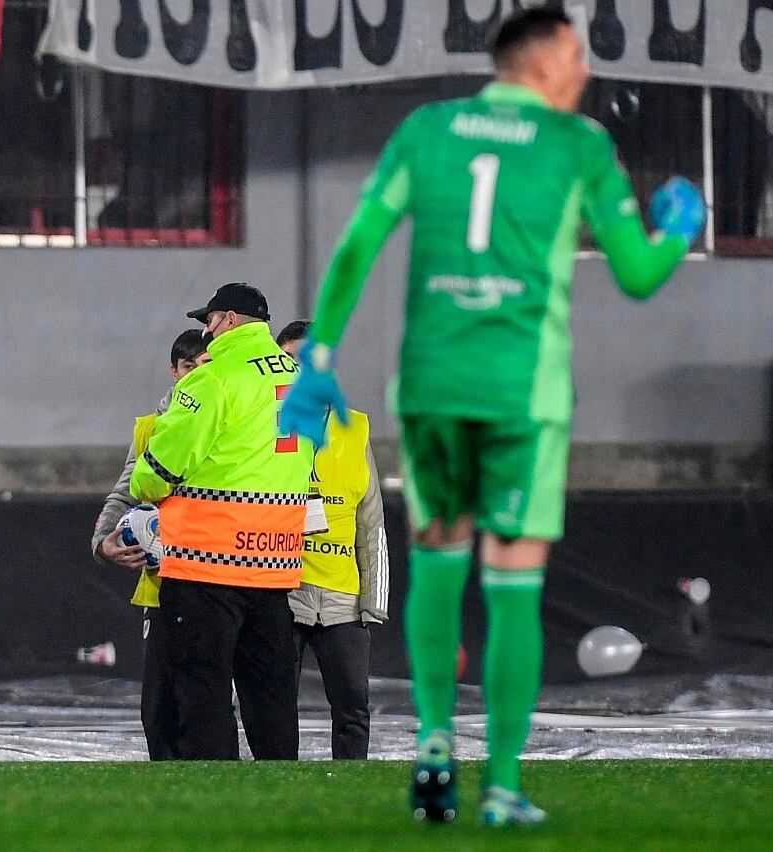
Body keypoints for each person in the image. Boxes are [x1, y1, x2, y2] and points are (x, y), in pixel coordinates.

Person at [280, 8, 705, 826]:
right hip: (522, 395)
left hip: (434, 385)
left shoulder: (428, 130)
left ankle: (435, 746)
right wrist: (680, 228)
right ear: (545, 62)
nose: (584, 69)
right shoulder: (578, 144)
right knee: (514, 584)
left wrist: (321, 359)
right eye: (577, 54)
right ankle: (503, 786)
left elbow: (358, 245)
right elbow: (641, 274)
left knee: (437, 561)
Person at [130, 283, 314, 761]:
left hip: (207, 562)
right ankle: (281, 790)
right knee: (271, 691)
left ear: (230, 319)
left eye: (208, 321)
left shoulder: (211, 379)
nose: (205, 333)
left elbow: (163, 467)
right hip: (274, 564)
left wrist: (143, 489)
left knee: (202, 686)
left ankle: (217, 790)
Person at [92, 328, 209, 760]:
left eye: (205, 366)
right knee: (159, 709)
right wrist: (102, 543)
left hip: (222, 581)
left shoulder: (233, 425)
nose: (195, 374)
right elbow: (125, 493)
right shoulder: (152, 428)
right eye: (188, 366)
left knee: (210, 704)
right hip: (161, 589)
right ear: (174, 371)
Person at [276, 320, 388, 760]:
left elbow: (371, 522)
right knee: (274, 706)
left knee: (352, 708)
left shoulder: (355, 428)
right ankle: (276, 789)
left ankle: (351, 794)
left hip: (342, 597)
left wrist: (372, 601)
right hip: (280, 593)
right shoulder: (263, 429)